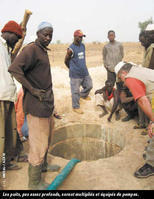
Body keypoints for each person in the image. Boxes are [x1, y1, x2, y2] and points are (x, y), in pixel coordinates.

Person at [8, 21, 60, 190]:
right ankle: (34, 182)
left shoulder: (42, 51)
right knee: (37, 144)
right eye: (45, 34)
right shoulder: (31, 49)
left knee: (46, 139)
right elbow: (14, 69)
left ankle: (43, 166)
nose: (48, 38)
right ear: (38, 34)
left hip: (46, 105)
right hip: (36, 106)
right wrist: (32, 90)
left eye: (51, 35)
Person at [115, 61, 154, 178]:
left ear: (124, 72)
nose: (123, 82)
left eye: (120, 78)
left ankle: (151, 165)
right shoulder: (139, 70)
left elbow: (142, 101)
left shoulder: (130, 78)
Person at [0, 20, 23, 171]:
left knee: (9, 132)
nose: (16, 41)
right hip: (0, 96)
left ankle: (6, 161)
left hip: (8, 96)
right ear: (9, 33)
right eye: (16, 37)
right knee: (1, 135)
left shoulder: (6, 49)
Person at [64, 30, 93, 114]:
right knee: (75, 91)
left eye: (82, 37)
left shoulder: (83, 46)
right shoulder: (70, 49)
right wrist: (72, 68)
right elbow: (66, 61)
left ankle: (82, 95)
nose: (81, 38)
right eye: (79, 37)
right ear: (75, 37)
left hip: (84, 72)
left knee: (89, 85)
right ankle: (75, 107)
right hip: (75, 74)